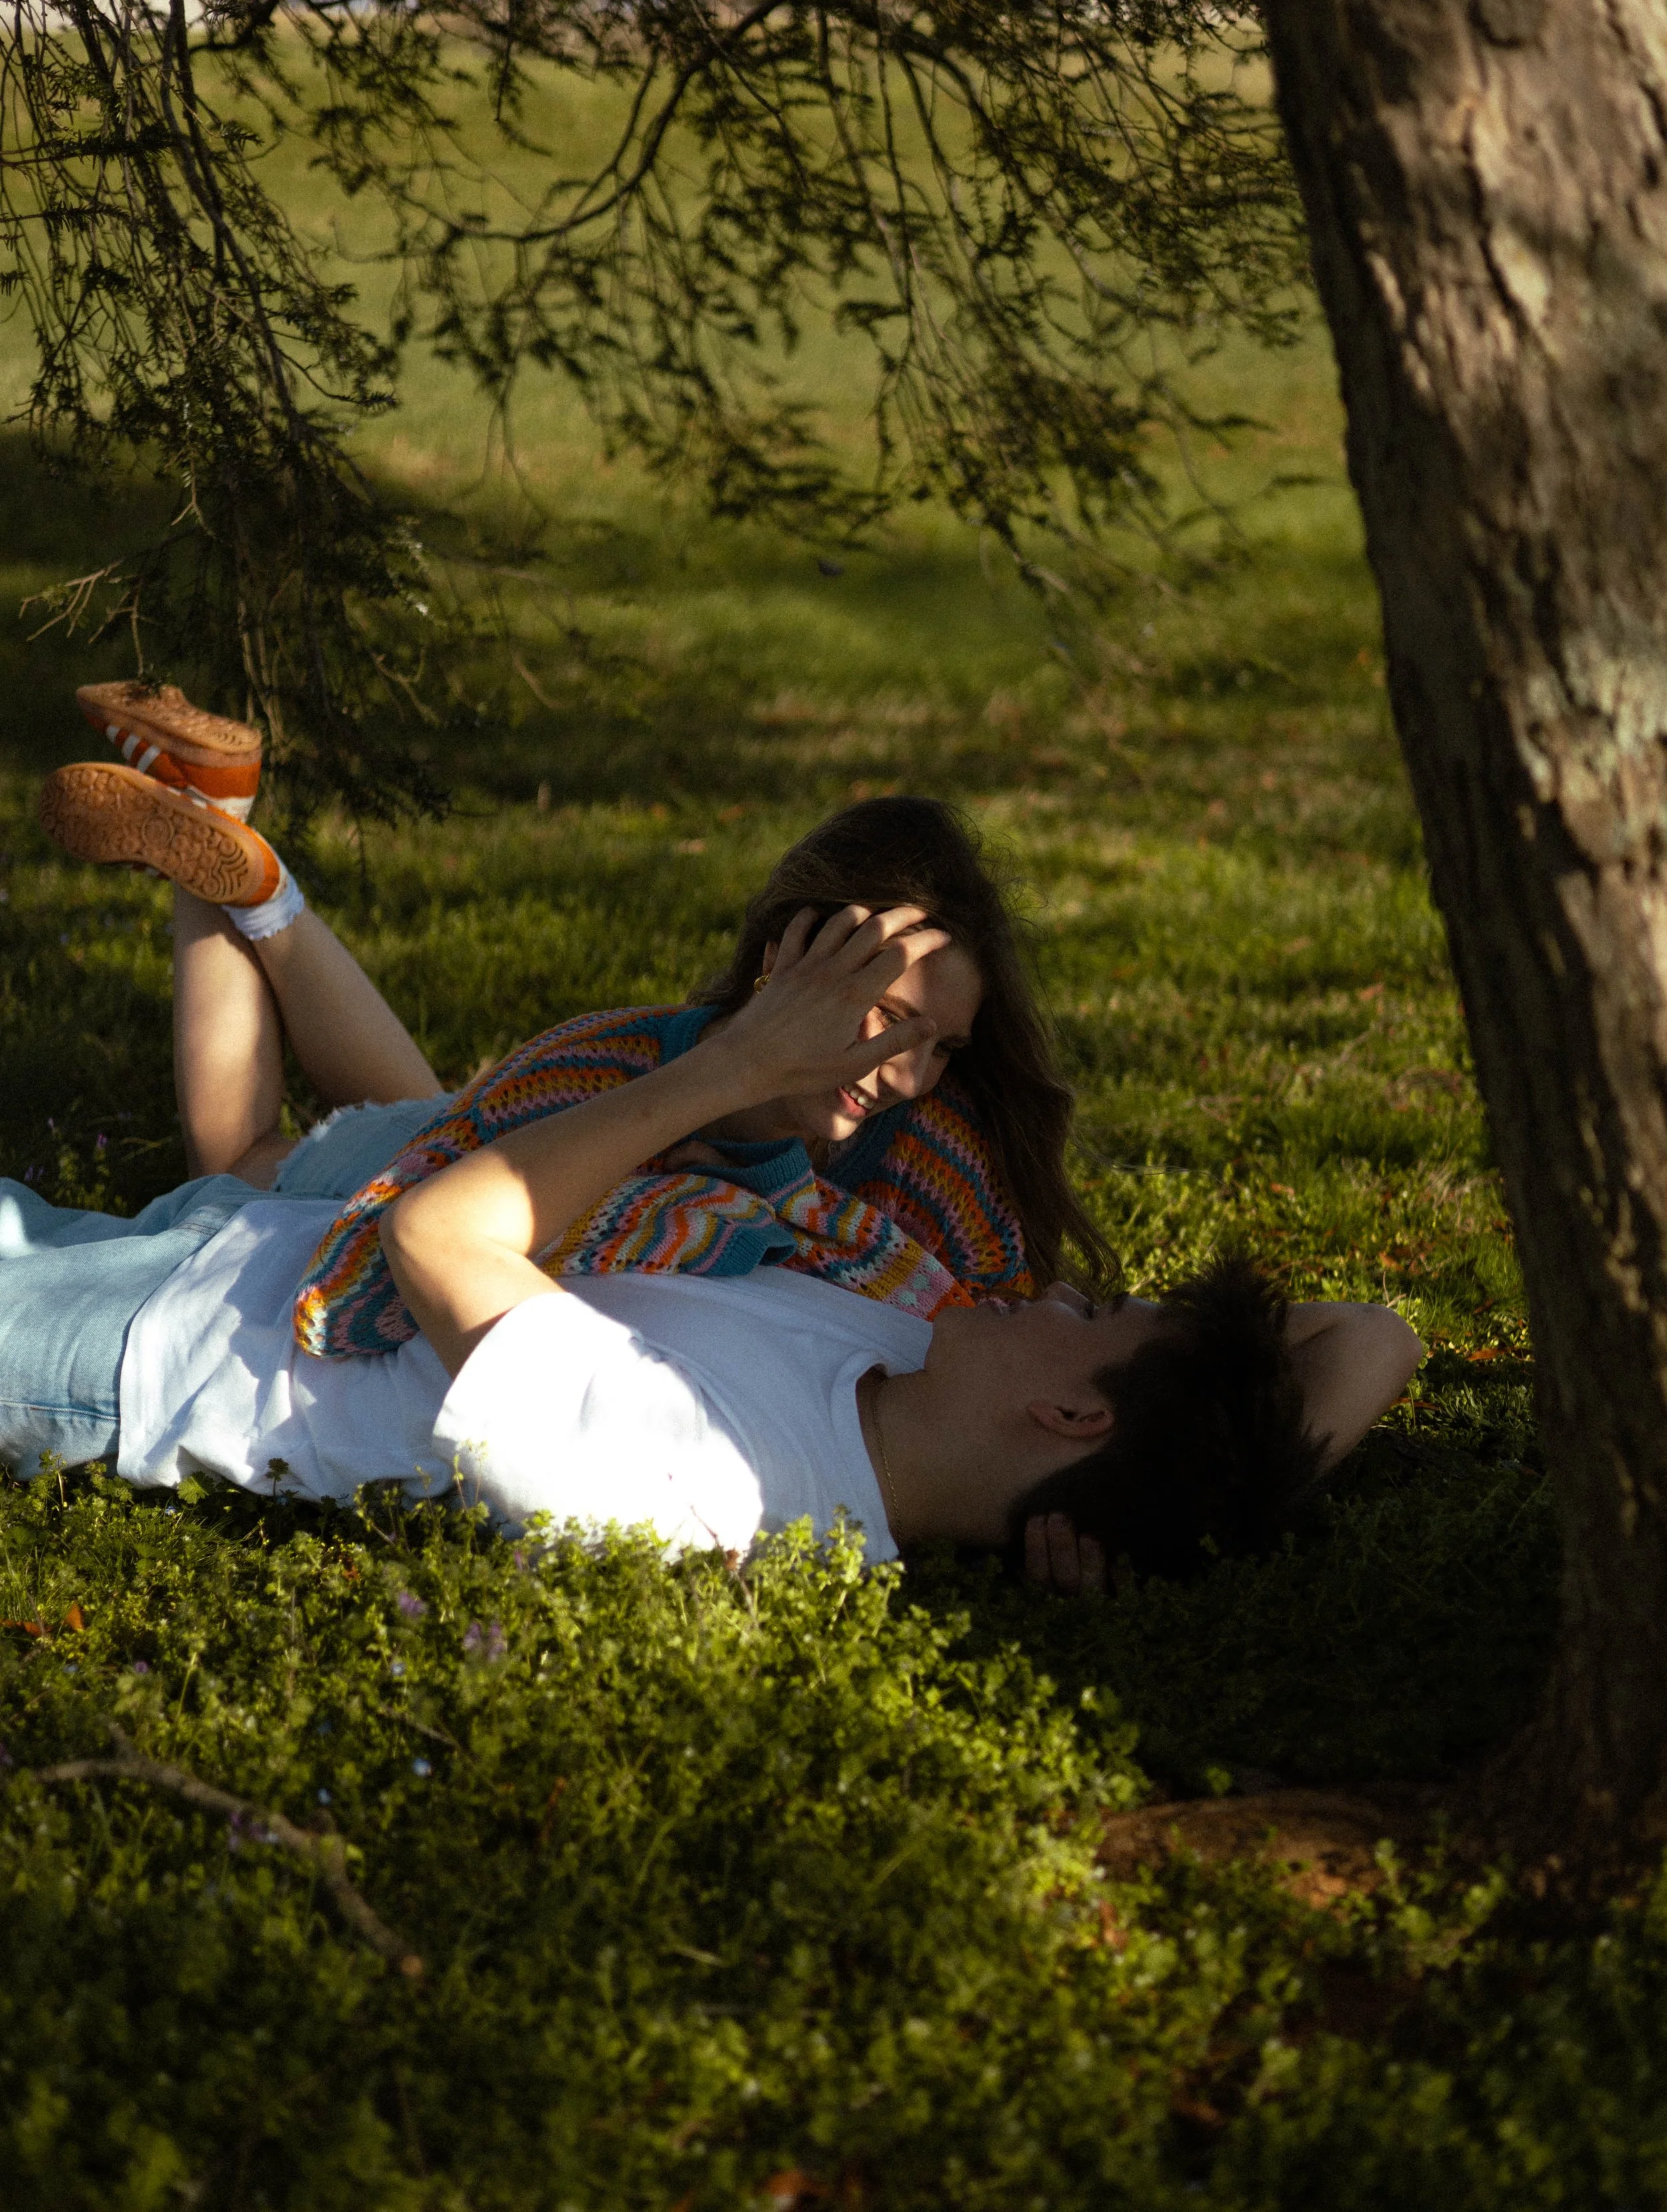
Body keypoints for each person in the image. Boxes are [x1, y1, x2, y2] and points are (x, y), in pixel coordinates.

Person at [0, 858, 1423, 1583]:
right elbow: (1374, 1335)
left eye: (1094, 1319)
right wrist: (1211, 1505)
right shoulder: (895, 1331)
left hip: (137, 1345)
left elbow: (434, 1240)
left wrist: (735, 1064)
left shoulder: (719, 1487)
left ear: (1069, 1419)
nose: (1058, 1296)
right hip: (219, 1257)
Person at [41, 686, 1111, 1333]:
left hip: (481, 1134)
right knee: (243, 1157)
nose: (905, 1077)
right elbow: (406, 1233)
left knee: (423, 1109)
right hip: (455, 1168)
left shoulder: (935, 1151)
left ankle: (227, 828)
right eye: (883, 1019)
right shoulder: (608, 1066)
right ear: (787, 961)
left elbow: (995, 1334)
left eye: (944, 1047)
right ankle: (218, 853)